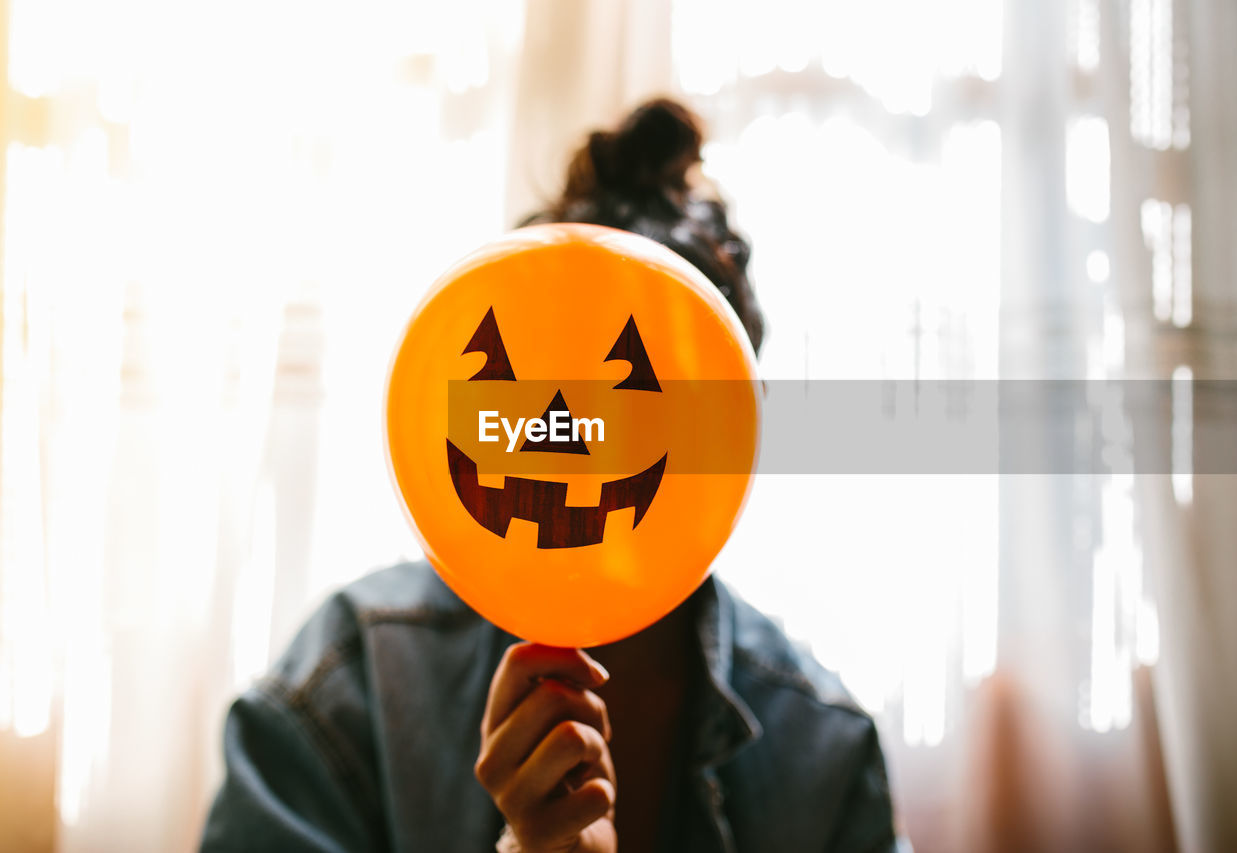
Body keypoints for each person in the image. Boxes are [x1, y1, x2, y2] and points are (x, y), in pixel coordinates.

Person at [200, 99, 897, 853]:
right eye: (537, 386)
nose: (571, 426)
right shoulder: (348, 683)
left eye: (633, 395)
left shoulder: (823, 746)